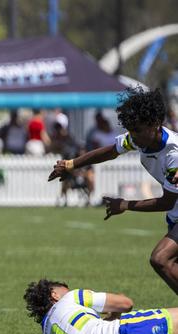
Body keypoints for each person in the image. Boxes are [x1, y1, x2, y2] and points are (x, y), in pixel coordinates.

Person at [48, 87, 178, 295]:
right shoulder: (141, 137)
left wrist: (125, 205)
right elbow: (110, 151)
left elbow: (166, 202)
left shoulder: (173, 153)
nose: (133, 136)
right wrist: (72, 164)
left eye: (138, 130)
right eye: (131, 130)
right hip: (175, 216)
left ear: (155, 124)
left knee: (161, 259)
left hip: (174, 210)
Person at [24, 278, 178, 334]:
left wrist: (112, 315)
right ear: (55, 294)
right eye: (66, 289)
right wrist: (118, 302)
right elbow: (125, 303)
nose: (69, 291)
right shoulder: (70, 298)